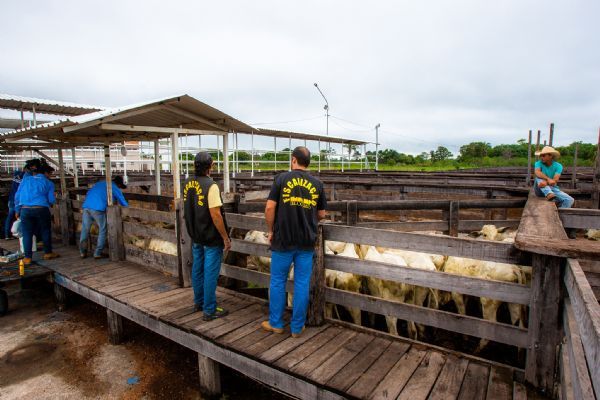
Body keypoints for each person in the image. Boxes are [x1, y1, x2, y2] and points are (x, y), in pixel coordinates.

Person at [262, 146, 327, 338]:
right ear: (308, 163)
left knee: (277, 281)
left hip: (283, 240)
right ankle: (297, 328)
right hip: (306, 241)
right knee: (301, 283)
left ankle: (276, 323)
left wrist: (270, 230)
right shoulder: (317, 184)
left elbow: (269, 208)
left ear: (293, 160)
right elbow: (322, 213)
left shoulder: (281, 179)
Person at [183, 152, 231, 320]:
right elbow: (216, 215)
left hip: (196, 234)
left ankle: (199, 301)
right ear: (210, 166)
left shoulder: (187, 183)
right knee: (211, 272)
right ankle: (209, 309)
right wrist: (225, 237)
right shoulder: (211, 186)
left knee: (197, 268)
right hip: (210, 236)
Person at [14, 161, 59, 265]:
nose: (50, 176)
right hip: (41, 208)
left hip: (25, 209)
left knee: (27, 233)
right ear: (46, 173)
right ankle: (48, 253)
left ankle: (28, 258)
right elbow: (51, 200)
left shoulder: (26, 180)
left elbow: (17, 196)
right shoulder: (49, 183)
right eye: (50, 174)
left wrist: (17, 210)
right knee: (45, 230)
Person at [79, 176, 129, 259]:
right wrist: (129, 212)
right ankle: (97, 253)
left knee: (85, 229)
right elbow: (123, 201)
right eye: (120, 186)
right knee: (103, 229)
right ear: (119, 184)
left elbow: (88, 193)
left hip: (86, 206)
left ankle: (82, 252)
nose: (120, 188)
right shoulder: (114, 187)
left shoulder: (99, 183)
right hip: (97, 209)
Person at [4, 169, 24, 240]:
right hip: (18, 201)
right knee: (19, 217)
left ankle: (7, 235)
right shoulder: (24, 179)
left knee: (9, 217)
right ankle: (19, 234)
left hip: (11, 199)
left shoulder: (15, 176)